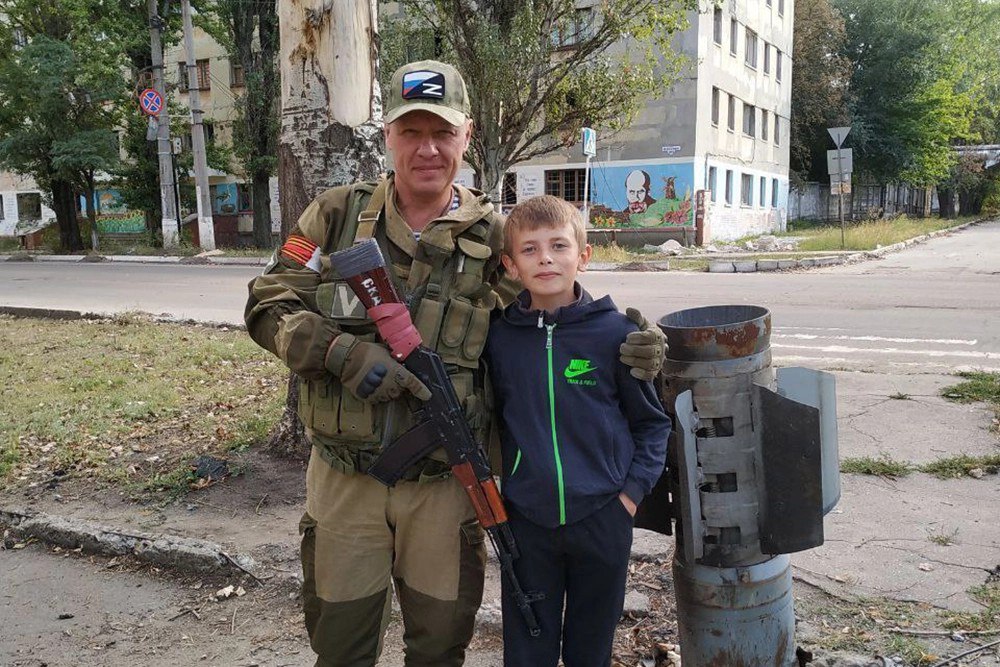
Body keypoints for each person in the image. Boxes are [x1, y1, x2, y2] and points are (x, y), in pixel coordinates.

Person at [244, 60, 666, 667]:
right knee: (339, 647)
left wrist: (637, 345)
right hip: (343, 481)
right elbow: (268, 302)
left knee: (441, 647)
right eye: (411, 132)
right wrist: (340, 353)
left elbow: (559, 311)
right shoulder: (331, 215)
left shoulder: (500, 237)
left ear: (465, 136)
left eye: (442, 133)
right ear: (387, 135)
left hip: (445, 487)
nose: (427, 149)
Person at [485, 195, 671, 667]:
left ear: (582, 256)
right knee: (529, 650)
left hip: (603, 518)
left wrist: (628, 497)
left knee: (591, 648)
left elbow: (651, 425)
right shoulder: (498, 339)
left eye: (558, 246)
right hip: (526, 521)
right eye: (529, 250)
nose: (545, 258)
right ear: (510, 265)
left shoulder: (615, 335)